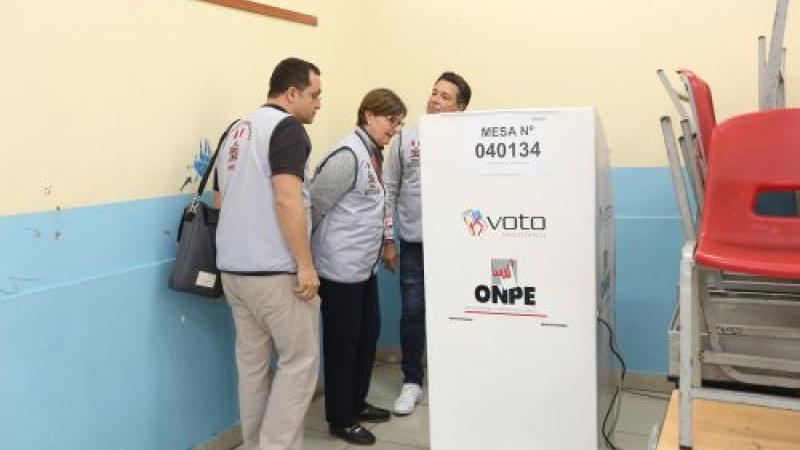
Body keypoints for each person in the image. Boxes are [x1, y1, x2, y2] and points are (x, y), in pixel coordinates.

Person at [214, 57, 322, 450]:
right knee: (299, 364)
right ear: (292, 93)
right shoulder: (286, 128)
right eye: (314, 94)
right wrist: (305, 265)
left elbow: (220, 200)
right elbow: (287, 198)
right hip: (276, 274)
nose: (319, 103)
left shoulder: (235, 130)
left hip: (234, 272)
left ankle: (255, 444)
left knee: (252, 369)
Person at [310, 88, 407, 446]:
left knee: (367, 335)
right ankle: (340, 418)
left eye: (399, 122)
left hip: (363, 268)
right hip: (338, 270)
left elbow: (373, 207)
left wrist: (386, 244)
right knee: (343, 344)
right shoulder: (347, 156)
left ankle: (356, 402)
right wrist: (305, 262)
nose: (395, 128)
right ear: (368, 115)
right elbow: (314, 208)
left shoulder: (373, 154)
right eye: (390, 120)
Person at [382, 72, 472, 416]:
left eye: (445, 97)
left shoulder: (470, 140)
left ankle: (457, 376)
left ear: (460, 108)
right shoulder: (406, 138)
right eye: (434, 92)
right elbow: (390, 189)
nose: (435, 99)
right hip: (414, 244)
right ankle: (412, 382)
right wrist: (388, 240)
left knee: (459, 311)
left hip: (457, 246)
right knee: (413, 312)